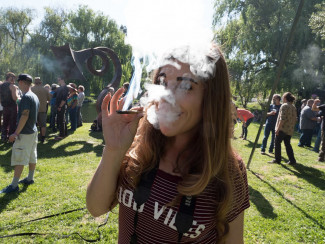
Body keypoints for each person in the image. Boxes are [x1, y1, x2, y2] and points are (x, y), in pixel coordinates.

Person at [86, 45, 250, 243]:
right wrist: (113, 150)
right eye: (162, 83)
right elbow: (96, 208)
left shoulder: (228, 170)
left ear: (211, 98)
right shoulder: (136, 146)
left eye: (186, 86)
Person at [0, 74, 39, 194]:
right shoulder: (33, 95)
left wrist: (16, 133)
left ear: (22, 82)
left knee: (19, 158)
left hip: (25, 133)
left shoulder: (27, 97)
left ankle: (14, 185)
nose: (17, 84)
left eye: (18, 82)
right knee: (32, 155)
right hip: (33, 131)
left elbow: (25, 115)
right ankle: (30, 178)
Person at [268, 92, 297, 165]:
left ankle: (277, 160)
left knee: (277, 144)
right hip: (289, 129)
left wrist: (278, 129)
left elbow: (282, 119)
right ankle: (292, 160)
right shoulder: (293, 107)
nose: (282, 99)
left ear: (285, 98)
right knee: (288, 145)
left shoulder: (284, 106)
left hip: (282, 129)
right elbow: (295, 119)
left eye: (283, 97)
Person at [31, 77, 51, 143]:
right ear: (41, 82)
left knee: (33, 124)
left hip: (33, 110)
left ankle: (33, 138)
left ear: (34, 82)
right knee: (43, 125)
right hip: (42, 109)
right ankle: (43, 138)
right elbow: (49, 99)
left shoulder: (31, 89)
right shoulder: (45, 90)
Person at [0, 72, 19, 142]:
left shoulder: (1, 86)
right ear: (10, 78)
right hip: (12, 106)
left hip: (5, 106)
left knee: (5, 122)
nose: (14, 80)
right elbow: (15, 98)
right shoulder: (12, 86)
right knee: (12, 122)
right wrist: (17, 93)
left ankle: (3, 136)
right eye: (13, 78)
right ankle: (11, 137)